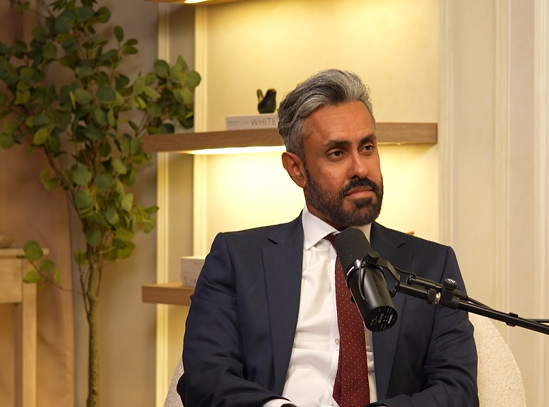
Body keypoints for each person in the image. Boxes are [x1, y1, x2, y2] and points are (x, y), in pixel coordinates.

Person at [177, 69, 478, 407]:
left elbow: (458, 390)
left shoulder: (431, 263)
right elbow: (205, 376)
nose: (360, 168)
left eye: (367, 147)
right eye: (337, 153)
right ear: (296, 169)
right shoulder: (237, 258)